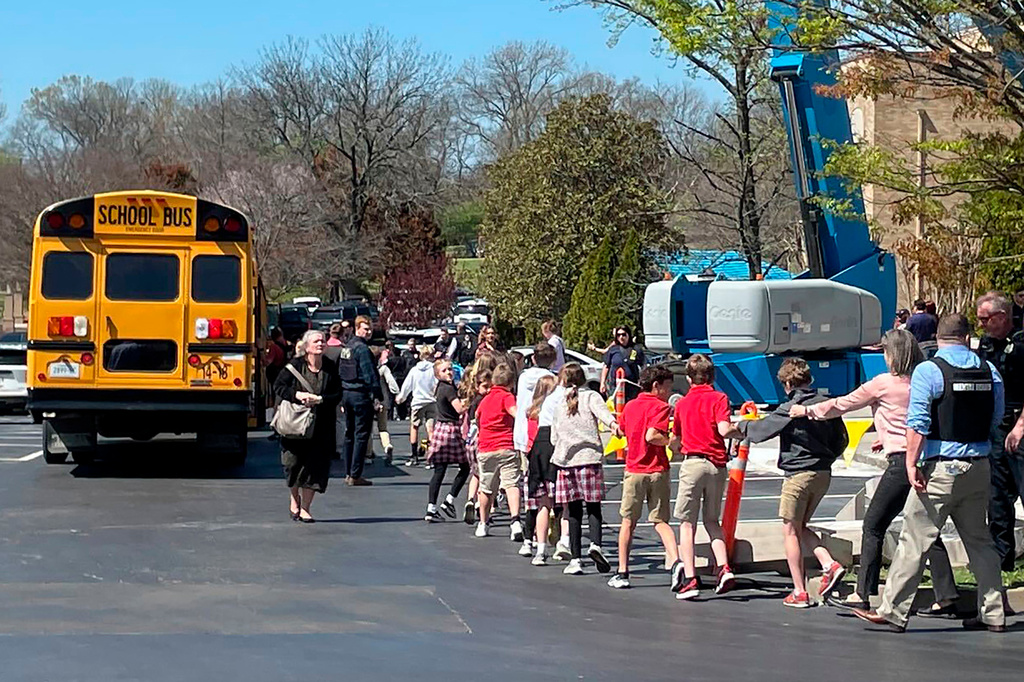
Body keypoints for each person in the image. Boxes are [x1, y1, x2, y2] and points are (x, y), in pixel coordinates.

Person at [853, 314, 1007, 633]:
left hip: (941, 469)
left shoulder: (930, 370)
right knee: (980, 541)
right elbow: (996, 416)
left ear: (939, 338)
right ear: (967, 337)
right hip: (979, 466)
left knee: (915, 538)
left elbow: (918, 423)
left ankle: (893, 610)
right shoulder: (988, 369)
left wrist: (911, 463)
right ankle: (993, 613)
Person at [790, 330, 959, 614]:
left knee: (873, 525)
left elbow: (842, 404)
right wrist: (886, 433)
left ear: (892, 355)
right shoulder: (922, 382)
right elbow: (913, 418)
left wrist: (806, 412)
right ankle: (947, 592)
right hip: (923, 460)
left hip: (899, 463)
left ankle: (863, 592)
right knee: (925, 528)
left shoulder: (883, 383)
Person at [736, 358, 848, 609]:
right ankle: (830, 564)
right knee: (800, 526)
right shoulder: (824, 405)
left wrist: (741, 424)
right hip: (823, 472)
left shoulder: (791, 407)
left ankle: (800, 590)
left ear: (787, 383)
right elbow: (842, 440)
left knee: (789, 531)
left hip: (798, 475)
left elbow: (760, 431)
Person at [607, 365, 686, 593]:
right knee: (660, 521)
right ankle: (676, 561)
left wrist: (622, 431)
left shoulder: (630, 406)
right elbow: (652, 435)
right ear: (656, 386)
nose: (669, 391)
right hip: (657, 469)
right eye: (668, 386)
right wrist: (670, 441)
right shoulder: (661, 407)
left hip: (634, 470)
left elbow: (621, 431)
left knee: (628, 522)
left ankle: (622, 571)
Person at [670, 354, 742, 600]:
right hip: (716, 464)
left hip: (694, 462)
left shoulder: (682, 404)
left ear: (689, 378)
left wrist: (675, 446)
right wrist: (740, 431)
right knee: (712, 520)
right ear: (712, 376)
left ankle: (691, 578)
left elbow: (675, 441)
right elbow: (724, 429)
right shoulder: (719, 398)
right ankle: (724, 568)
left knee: (687, 523)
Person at [975, 291, 1024, 603]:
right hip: (996, 427)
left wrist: (1020, 426)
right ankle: (1002, 559)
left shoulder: (1020, 343)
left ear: (1003, 317)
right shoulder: (987, 345)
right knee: (998, 497)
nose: (982, 325)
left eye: (986, 319)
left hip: (1019, 423)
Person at [551, 363, 618, 576]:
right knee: (594, 507)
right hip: (589, 458)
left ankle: (576, 559)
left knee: (574, 512)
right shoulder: (591, 397)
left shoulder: (561, 403)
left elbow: (554, 436)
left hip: (566, 461)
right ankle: (596, 545)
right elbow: (605, 415)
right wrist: (614, 426)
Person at [273, 330, 342, 523]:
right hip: (296, 425)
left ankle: (305, 508)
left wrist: (320, 399)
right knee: (292, 464)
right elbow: (279, 387)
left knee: (315, 467)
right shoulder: (294, 366)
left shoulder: (330, 367)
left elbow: (337, 393)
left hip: (321, 426)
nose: (321, 344)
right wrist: (298, 396)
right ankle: (294, 499)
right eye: (316, 341)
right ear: (306, 346)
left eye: (323, 341)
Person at [474, 363, 523, 540]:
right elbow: (515, 413)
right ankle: (516, 520)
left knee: (486, 487)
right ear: (511, 383)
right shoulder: (507, 397)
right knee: (511, 484)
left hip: (486, 447)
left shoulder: (485, 399)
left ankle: (483, 523)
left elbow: (477, 418)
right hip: (506, 445)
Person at [424, 360, 472, 522]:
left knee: (439, 470)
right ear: (438, 374)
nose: (449, 372)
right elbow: (459, 409)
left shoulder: (440, 388)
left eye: (450, 369)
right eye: (445, 370)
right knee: (465, 466)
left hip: (441, 428)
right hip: (450, 429)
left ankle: (431, 508)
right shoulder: (449, 389)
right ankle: (449, 499)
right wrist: (471, 400)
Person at [519, 374, 559, 566]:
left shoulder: (532, 412)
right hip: (547, 454)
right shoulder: (548, 414)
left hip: (531, 455)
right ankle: (555, 536)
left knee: (533, 504)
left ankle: (529, 540)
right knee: (553, 501)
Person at [338, 315, 382, 486]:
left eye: (370, 329)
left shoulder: (347, 347)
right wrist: (378, 395)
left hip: (347, 393)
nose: (368, 332)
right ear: (357, 328)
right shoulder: (362, 349)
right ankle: (355, 474)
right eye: (365, 328)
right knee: (361, 435)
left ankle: (348, 471)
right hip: (360, 394)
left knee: (349, 434)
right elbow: (369, 374)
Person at [514, 342, 557, 461]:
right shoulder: (552, 380)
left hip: (522, 432)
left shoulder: (523, 377)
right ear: (554, 361)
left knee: (527, 473)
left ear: (533, 358)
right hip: (543, 432)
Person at [396, 346, 438, 467]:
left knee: (414, 427)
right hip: (431, 401)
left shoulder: (414, 370)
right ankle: (431, 457)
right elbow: (437, 384)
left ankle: (414, 456)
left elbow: (407, 385)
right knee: (431, 429)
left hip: (418, 401)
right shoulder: (434, 369)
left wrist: (401, 397)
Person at [367, 346, 397, 465]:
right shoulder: (383, 369)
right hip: (383, 401)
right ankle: (387, 446)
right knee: (383, 428)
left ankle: (368, 454)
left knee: (368, 430)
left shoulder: (366, 369)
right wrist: (396, 393)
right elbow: (392, 384)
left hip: (369, 402)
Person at [601, 325, 645, 403]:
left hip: (631, 386)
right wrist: (602, 383)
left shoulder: (635, 349)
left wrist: (642, 382)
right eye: (618, 335)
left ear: (628, 335)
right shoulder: (613, 350)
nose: (621, 337)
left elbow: (643, 366)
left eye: (624, 334)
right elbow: (606, 366)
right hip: (615, 386)